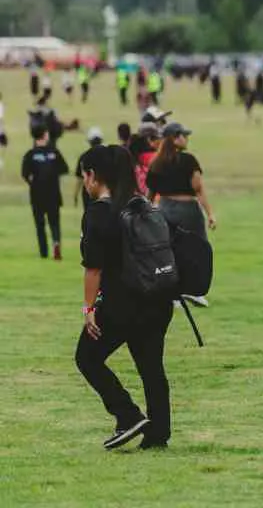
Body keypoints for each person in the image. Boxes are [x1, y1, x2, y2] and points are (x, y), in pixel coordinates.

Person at [75, 144, 175, 451]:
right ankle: (158, 433)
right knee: (151, 367)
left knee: (87, 358)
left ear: (92, 176)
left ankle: (127, 414)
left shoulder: (99, 213)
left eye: (84, 177)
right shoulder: (140, 204)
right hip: (158, 298)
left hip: (123, 302)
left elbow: (94, 269)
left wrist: (89, 308)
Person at [146, 122, 217, 306]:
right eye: (184, 135)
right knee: (197, 248)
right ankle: (194, 290)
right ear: (175, 138)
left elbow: (150, 193)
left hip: (165, 208)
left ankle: (172, 293)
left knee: (169, 251)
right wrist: (210, 213)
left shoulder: (156, 162)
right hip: (188, 210)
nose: (186, 139)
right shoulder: (188, 160)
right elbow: (198, 188)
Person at [22, 125, 69, 259]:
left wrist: (33, 182)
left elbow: (25, 174)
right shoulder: (54, 152)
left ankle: (43, 252)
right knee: (54, 222)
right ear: (45, 135)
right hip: (53, 192)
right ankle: (56, 242)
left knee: (40, 224)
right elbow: (64, 168)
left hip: (37, 194)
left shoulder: (30, 154)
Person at [74, 127, 106, 210]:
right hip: (104, 191)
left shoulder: (84, 157)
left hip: (88, 192)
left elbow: (79, 178)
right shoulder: (108, 155)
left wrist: (76, 194)